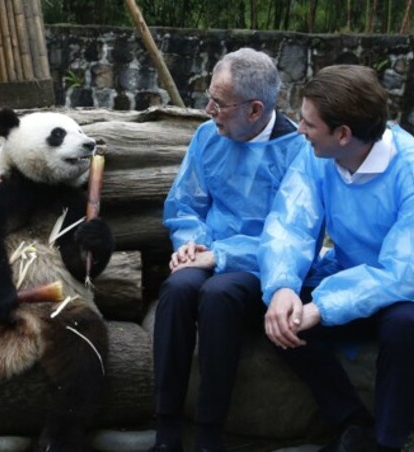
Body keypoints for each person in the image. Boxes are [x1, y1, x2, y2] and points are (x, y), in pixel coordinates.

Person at [259, 64, 414, 451]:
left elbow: (406, 274)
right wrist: (282, 287)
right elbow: (290, 223)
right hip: (348, 276)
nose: (299, 130)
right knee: (272, 311)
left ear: (343, 134)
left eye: (309, 124)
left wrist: (322, 307)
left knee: (403, 322)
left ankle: (387, 442)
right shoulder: (317, 157)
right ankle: (350, 422)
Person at [148, 48, 310, 452]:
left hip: (263, 263)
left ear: (255, 110)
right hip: (208, 248)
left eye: (219, 103)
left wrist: (222, 257)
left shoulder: (299, 152)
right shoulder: (207, 136)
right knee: (177, 289)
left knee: (217, 295)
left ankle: (208, 434)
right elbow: (186, 203)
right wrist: (189, 244)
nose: (209, 110)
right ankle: (166, 430)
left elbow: (290, 234)